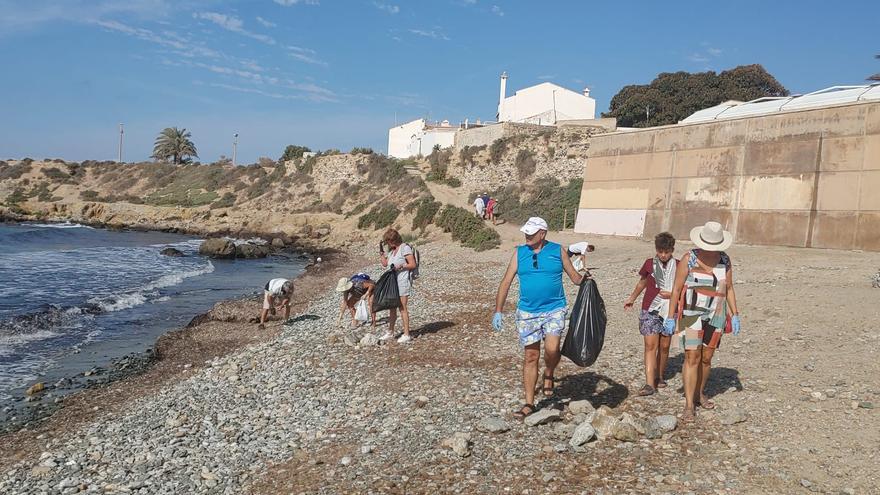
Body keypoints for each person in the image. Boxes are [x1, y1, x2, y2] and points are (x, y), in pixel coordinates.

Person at [492, 217, 584, 421]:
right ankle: (529, 403)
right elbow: (506, 281)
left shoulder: (558, 251)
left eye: (532, 233)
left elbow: (575, 278)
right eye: (526, 232)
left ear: (543, 233)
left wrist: (586, 279)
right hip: (527, 312)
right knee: (531, 357)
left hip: (554, 309)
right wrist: (498, 309)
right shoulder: (519, 253)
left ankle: (549, 372)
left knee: (552, 349)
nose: (527, 235)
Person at [665, 221, 741, 422]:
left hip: (716, 314)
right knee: (691, 357)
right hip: (690, 313)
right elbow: (676, 290)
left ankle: (700, 392)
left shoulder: (724, 259)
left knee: (706, 358)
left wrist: (735, 314)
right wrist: (671, 317)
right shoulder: (689, 259)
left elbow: (730, 288)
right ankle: (689, 404)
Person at [623, 232, 676, 396]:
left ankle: (660, 376)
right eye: (660, 251)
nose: (663, 255)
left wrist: (673, 295)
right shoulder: (649, 264)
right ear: (656, 249)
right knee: (650, 346)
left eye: (667, 251)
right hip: (650, 309)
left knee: (665, 346)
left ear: (672, 250)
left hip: (669, 310)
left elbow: (684, 288)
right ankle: (649, 383)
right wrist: (632, 298)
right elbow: (642, 283)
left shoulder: (680, 266)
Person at [379, 229, 417, 343]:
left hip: (402, 281)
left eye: (389, 241)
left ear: (394, 240)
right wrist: (382, 254)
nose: (388, 244)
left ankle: (406, 334)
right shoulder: (392, 251)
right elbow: (385, 264)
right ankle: (390, 332)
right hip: (393, 283)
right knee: (392, 307)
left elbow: (412, 264)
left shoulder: (404, 248)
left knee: (402, 308)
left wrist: (401, 266)